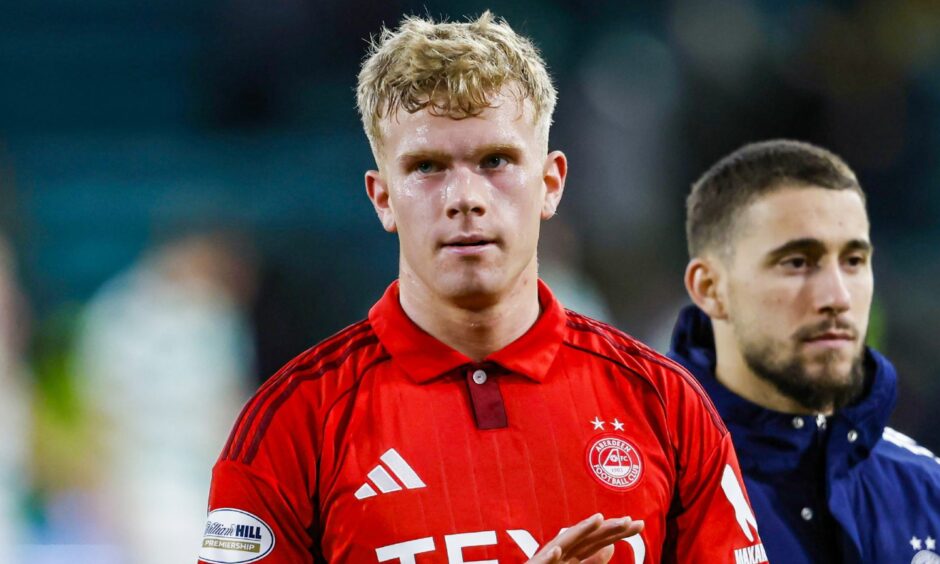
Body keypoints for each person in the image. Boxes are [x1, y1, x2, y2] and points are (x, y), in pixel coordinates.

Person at [199, 12, 764, 564]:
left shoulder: (667, 406)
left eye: (496, 160)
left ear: (550, 184)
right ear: (382, 197)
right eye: (426, 167)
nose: (463, 197)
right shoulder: (290, 427)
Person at [668, 139, 940, 564]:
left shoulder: (925, 488)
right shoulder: (641, 490)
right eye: (796, 262)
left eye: (853, 261)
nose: (837, 297)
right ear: (710, 289)